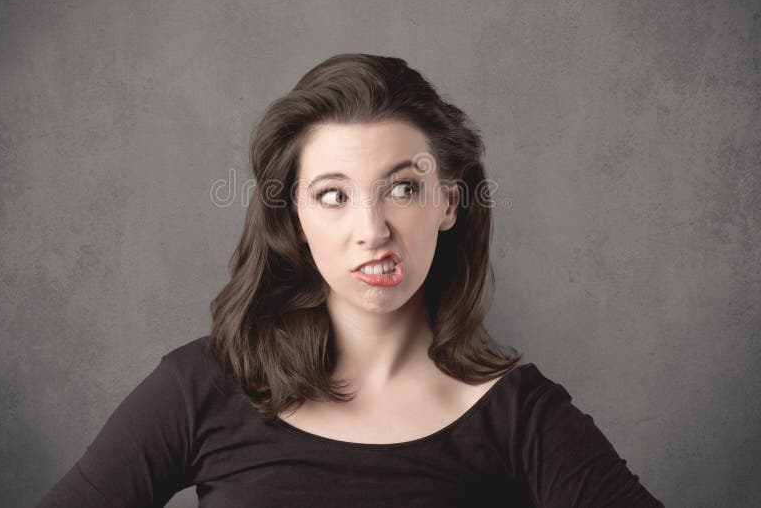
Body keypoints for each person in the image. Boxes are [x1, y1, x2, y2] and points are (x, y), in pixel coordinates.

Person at [36, 54, 665, 507]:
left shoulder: (520, 417)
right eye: (333, 195)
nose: (372, 229)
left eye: (402, 188)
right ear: (296, 220)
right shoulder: (200, 389)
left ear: (448, 202)